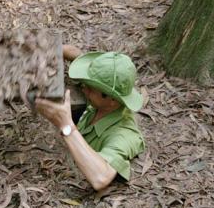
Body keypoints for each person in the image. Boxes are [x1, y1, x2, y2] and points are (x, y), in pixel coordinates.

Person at [35, 45, 145, 191]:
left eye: (90, 88)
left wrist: (66, 125)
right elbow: (72, 52)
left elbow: (101, 177)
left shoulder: (124, 135)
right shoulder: (101, 99)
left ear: (112, 99)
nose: (83, 88)